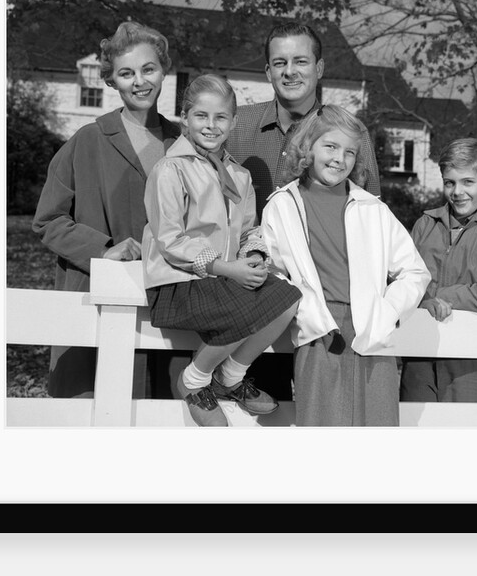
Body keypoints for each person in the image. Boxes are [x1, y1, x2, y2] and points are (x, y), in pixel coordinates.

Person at [226, 21, 382, 401]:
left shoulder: (350, 134)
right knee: (257, 411)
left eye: (300, 61)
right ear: (268, 71)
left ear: (319, 68)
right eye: (280, 63)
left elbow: (371, 220)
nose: (290, 71)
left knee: (325, 411)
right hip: (252, 298)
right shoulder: (237, 128)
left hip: (327, 303)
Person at [32, 20, 182, 399]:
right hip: (98, 297)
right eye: (126, 73)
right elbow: (48, 219)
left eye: (148, 69)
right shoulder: (87, 140)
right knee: (97, 407)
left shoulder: (184, 144)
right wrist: (102, 249)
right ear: (111, 81)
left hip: (170, 303)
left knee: (162, 411)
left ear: (164, 70)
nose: (139, 81)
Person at [141, 74, 302, 427]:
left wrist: (254, 255)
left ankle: (229, 377)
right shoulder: (170, 170)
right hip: (178, 284)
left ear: (233, 122)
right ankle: (193, 380)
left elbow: (248, 229)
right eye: (201, 115)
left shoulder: (239, 176)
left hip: (221, 284)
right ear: (185, 117)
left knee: (288, 298)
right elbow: (170, 240)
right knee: (244, 306)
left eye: (220, 117)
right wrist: (226, 269)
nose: (211, 125)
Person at [261, 105, 429, 426]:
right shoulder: (282, 205)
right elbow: (274, 273)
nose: (340, 159)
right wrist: (307, 315)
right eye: (331, 147)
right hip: (320, 334)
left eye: (350, 152)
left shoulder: (372, 208)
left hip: (372, 330)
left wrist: (388, 314)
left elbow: (415, 271)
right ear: (308, 147)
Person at [399, 138, 477, 403]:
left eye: (468, 182)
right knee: (415, 424)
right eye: (450, 182)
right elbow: (404, 279)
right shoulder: (425, 224)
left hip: (471, 359)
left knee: (465, 425)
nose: (457, 191)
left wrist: (439, 297)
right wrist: (423, 301)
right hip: (420, 352)